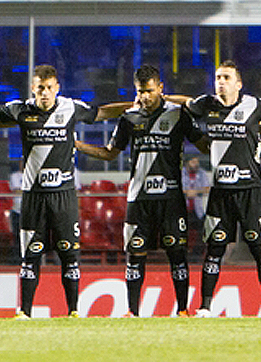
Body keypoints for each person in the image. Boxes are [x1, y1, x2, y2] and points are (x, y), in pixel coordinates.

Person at [75, 65, 209, 317]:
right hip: (139, 198)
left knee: (177, 255)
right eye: (140, 92)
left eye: (149, 91)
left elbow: (204, 146)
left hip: (171, 198)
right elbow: (109, 153)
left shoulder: (179, 115)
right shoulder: (129, 117)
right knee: (134, 254)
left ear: (160, 88)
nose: (145, 97)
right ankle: (132, 312)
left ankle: (183, 310)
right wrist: (78, 145)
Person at [179, 60, 261, 318]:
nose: (220, 82)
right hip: (220, 191)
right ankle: (204, 307)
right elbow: (185, 107)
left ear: (239, 83)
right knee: (214, 249)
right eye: (217, 77)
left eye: (226, 77)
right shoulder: (206, 104)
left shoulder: (255, 106)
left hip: (251, 190)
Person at [0, 65, 98, 319]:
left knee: (69, 254)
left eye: (49, 88)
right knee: (29, 256)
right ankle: (25, 312)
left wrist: (134, 106)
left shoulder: (71, 108)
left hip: (64, 195)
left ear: (57, 88)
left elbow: (99, 113)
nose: (44, 92)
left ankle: (74, 311)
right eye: (40, 88)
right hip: (33, 196)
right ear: (33, 88)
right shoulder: (20, 110)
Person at [182, 155, 210, 259]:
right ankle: (183, 253)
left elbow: (207, 188)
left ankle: (196, 254)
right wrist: (186, 192)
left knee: (202, 230)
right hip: (183, 208)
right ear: (187, 162)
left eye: (197, 162)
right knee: (182, 231)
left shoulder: (202, 173)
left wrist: (196, 192)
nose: (195, 164)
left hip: (198, 209)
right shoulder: (180, 172)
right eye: (193, 162)